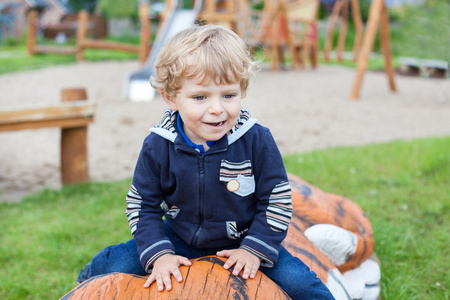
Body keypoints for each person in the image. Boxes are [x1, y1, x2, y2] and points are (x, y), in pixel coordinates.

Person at [78, 24, 334, 299]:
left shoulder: (256, 140)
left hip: (244, 238)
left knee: (302, 286)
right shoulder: (158, 145)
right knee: (112, 267)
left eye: (228, 95)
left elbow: (276, 200)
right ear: (170, 97)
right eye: (200, 97)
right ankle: (82, 282)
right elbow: (143, 204)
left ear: (242, 90)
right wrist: (159, 253)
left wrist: (254, 249)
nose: (216, 108)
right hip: (178, 238)